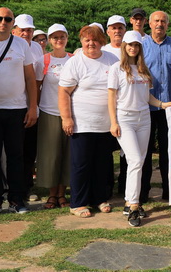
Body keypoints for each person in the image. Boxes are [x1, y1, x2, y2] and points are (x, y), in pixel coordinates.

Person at [108, 31, 171, 227]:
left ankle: (130, 202)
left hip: (144, 119)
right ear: (124, 46)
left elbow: (147, 97)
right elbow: (111, 97)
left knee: (138, 162)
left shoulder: (143, 69)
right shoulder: (116, 69)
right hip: (125, 119)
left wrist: (162, 105)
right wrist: (113, 122)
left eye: (136, 45)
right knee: (135, 160)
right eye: (130, 45)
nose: (133, 48)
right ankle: (133, 205)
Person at [0, 7, 38, 216]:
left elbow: (30, 78)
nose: (3, 22)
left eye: (8, 19)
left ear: (13, 23)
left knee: (16, 156)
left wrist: (32, 107)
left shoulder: (21, 44)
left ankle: (16, 199)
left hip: (16, 109)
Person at [58, 25, 119, 218]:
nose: (91, 43)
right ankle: (78, 202)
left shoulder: (112, 60)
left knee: (101, 164)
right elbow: (64, 92)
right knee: (81, 164)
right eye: (87, 40)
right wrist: (66, 118)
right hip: (82, 123)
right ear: (82, 42)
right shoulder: (75, 62)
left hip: (106, 124)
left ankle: (99, 198)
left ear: (102, 42)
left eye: (95, 40)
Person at [142, 10, 171, 202]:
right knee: (145, 151)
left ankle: (170, 191)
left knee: (169, 151)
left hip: (170, 107)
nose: (160, 24)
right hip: (146, 107)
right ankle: (143, 192)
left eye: (163, 21)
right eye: (156, 21)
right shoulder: (142, 46)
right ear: (150, 24)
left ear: (168, 24)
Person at [34, 24, 72, 210]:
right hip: (49, 111)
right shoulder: (43, 61)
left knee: (67, 154)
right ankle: (51, 194)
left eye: (62, 37)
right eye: (55, 37)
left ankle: (62, 193)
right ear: (49, 40)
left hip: (70, 113)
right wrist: (35, 108)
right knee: (51, 154)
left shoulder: (74, 59)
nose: (59, 40)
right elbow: (36, 87)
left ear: (67, 38)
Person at [12, 13, 44, 203]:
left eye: (29, 30)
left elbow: (37, 80)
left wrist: (34, 106)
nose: (26, 33)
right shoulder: (10, 45)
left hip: (31, 104)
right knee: (14, 150)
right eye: (22, 30)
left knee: (29, 149)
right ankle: (11, 187)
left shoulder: (36, 48)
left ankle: (26, 186)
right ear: (14, 30)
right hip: (12, 105)